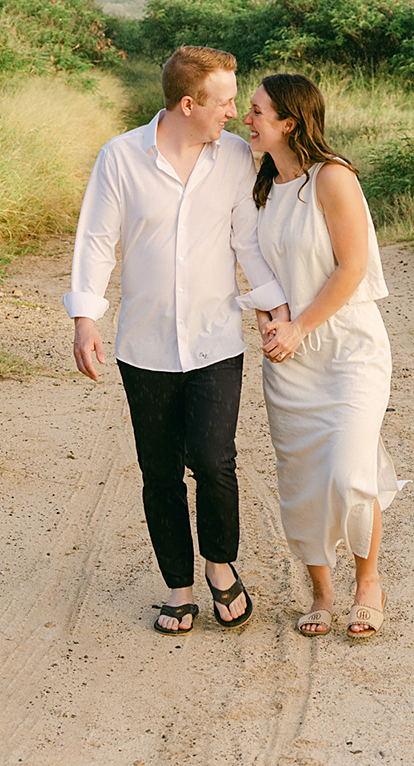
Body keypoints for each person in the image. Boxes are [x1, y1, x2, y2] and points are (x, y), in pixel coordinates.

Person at [65, 45, 289, 634]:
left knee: (215, 461)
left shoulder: (237, 158)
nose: (235, 113)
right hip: (144, 346)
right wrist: (85, 317)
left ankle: (219, 566)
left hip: (216, 341)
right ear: (188, 105)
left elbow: (248, 243)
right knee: (159, 471)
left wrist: (275, 307)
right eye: (225, 101)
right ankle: (178, 585)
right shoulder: (120, 157)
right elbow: (96, 241)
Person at [245, 73, 403, 638]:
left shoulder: (333, 178)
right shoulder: (263, 186)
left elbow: (351, 268)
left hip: (347, 349)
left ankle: (368, 582)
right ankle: (322, 592)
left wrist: (300, 327)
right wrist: (269, 322)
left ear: (289, 122)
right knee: (303, 480)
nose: (247, 118)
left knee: (348, 469)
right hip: (290, 361)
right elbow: (261, 268)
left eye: (258, 111)